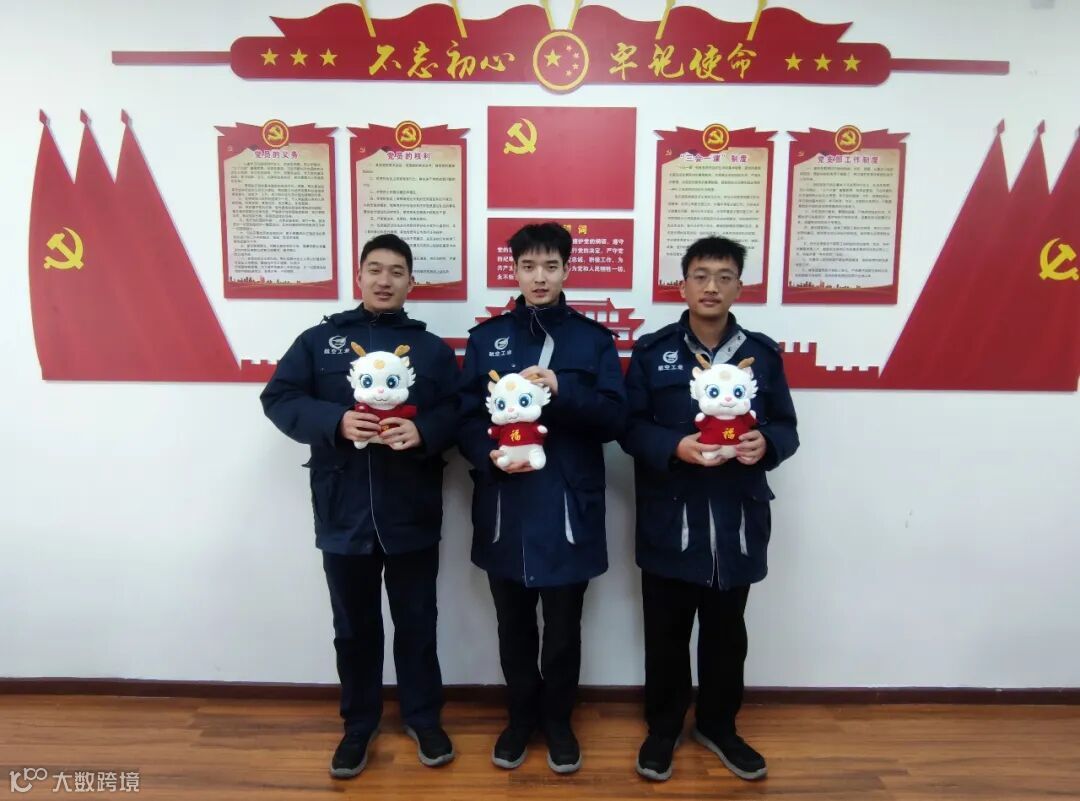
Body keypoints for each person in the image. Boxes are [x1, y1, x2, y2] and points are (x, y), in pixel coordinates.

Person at [260, 234, 459, 779]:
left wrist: (423, 431)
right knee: (353, 626)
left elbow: (460, 409)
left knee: (417, 621)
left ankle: (423, 717)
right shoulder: (319, 341)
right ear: (359, 276)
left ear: (411, 282)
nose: (384, 280)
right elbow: (279, 397)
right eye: (375, 269)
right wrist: (335, 422)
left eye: (396, 271)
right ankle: (358, 724)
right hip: (342, 508)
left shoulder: (431, 351)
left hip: (411, 508)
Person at [619, 236, 799, 782]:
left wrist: (766, 442)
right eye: (700, 275)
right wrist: (673, 446)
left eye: (724, 276)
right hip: (671, 517)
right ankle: (663, 728)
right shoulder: (654, 352)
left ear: (739, 286)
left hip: (736, 518)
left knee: (726, 635)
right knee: (666, 634)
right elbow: (629, 427)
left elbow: (787, 427)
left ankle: (719, 726)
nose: (712, 287)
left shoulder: (762, 354)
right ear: (684, 285)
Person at [457, 222, 628, 774]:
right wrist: (488, 455)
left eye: (550, 266)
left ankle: (558, 720)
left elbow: (614, 419)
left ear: (566, 270)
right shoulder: (486, 339)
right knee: (512, 625)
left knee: (562, 628)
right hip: (505, 504)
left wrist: (561, 388)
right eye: (528, 266)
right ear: (514, 270)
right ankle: (519, 718)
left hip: (567, 506)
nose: (539, 277)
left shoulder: (592, 340)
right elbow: (464, 418)